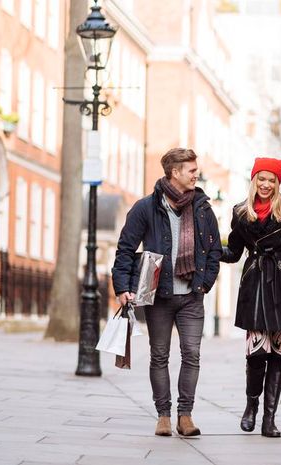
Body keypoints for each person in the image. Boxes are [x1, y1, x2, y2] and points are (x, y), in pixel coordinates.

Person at [112, 148, 222, 437]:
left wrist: (207, 281)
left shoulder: (202, 208)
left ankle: (185, 416)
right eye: (191, 170)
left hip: (191, 296)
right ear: (175, 172)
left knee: (192, 354)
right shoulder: (146, 208)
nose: (196, 174)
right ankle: (163, 414)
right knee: (159, 355)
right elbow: (125, 249)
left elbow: (213, 249)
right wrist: (122, 286)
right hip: (158, 296)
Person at [220, 157, 281, 438]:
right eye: (261, 179)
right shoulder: (240, 212)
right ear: (254, 180)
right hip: (256, 287)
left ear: (278, 183)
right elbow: (234, 253)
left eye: (271, 180)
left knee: (277, 356)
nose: (266, 185)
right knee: (256, 355)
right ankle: (251, 406)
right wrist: (210, 248)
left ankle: (269, 419)